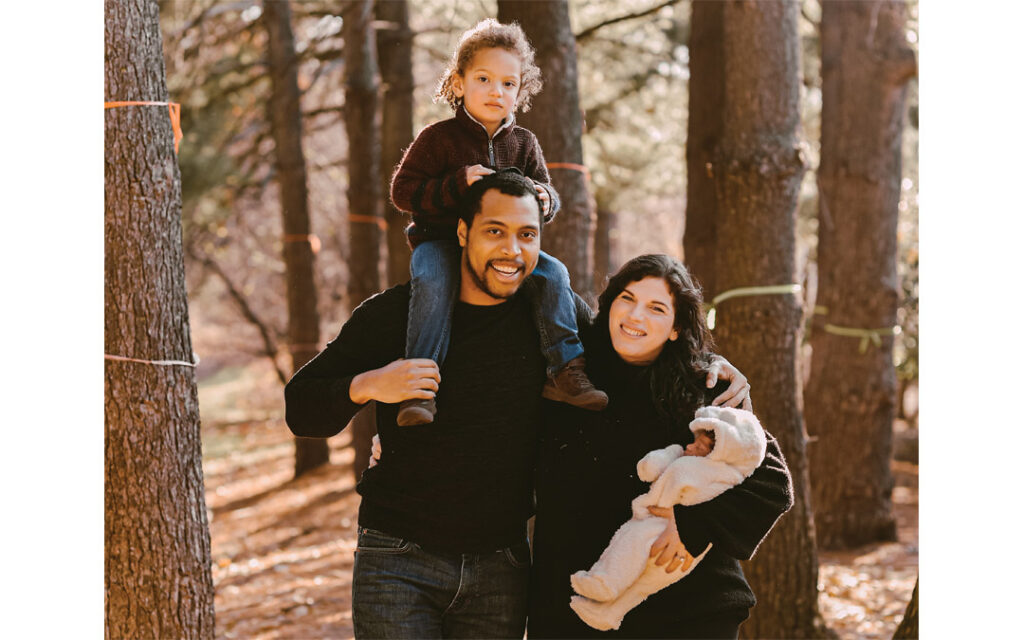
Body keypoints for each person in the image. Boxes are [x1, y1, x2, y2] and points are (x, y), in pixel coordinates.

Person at [286, 173, 750, 639]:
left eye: (526, 235)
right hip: (399, 558)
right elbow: (301, 407)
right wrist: (370, 384)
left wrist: (710, 368)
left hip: (502, 567)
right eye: (494, 231)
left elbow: (630, 352)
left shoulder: (553, 316)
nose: (512, 250)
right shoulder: (395, 315)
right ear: (463, 232)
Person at [528, 254, 794, 639]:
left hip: (688, 612)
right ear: (609, 305)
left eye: (656, 308)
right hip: (576, 608)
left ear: (676, 327)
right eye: (627, 298)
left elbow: (773, 483)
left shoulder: (705, 386)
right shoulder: (568, 379)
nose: (636, 316)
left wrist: (692, 526)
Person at [389, 18, 606, 426]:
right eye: (484, 79)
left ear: (519, 92)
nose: (496, 91)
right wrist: (456, 183)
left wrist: (545, 198)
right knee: (432, 282)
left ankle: (565, 370)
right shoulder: (438, 139)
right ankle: (419, 389)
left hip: (506, 248)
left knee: (555, 272)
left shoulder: (523, 143)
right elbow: (403, 193)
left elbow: (547, 192)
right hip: (440, 241)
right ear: (459, 83)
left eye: (508, 84)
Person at [568, 405, 768, 631]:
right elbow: (651, 468)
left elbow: (769, 486)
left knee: (632, 552)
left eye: (700, 447)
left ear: (719, 453)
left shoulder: (725, 469)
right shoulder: (686, 455)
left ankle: (605, 581)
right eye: (695, 441)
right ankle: (606, 611)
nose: (691, 446)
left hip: (686, 565)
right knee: (635, 570)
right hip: (653, 528)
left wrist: (693, 522)